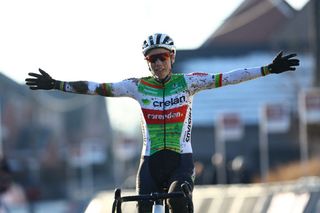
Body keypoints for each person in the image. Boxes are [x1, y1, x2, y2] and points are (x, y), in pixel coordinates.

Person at [25, 33, 300, 213]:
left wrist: (267, 69)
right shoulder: (137, 86)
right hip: (150, 162)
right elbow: (97, 87)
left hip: (181, 161)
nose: (157, 63)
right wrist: (57, 84)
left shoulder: (189, 83)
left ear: (172, 57)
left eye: (162, 57)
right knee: (142, 207)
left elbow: (229, 77)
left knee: (177, 199)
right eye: (151, 59)